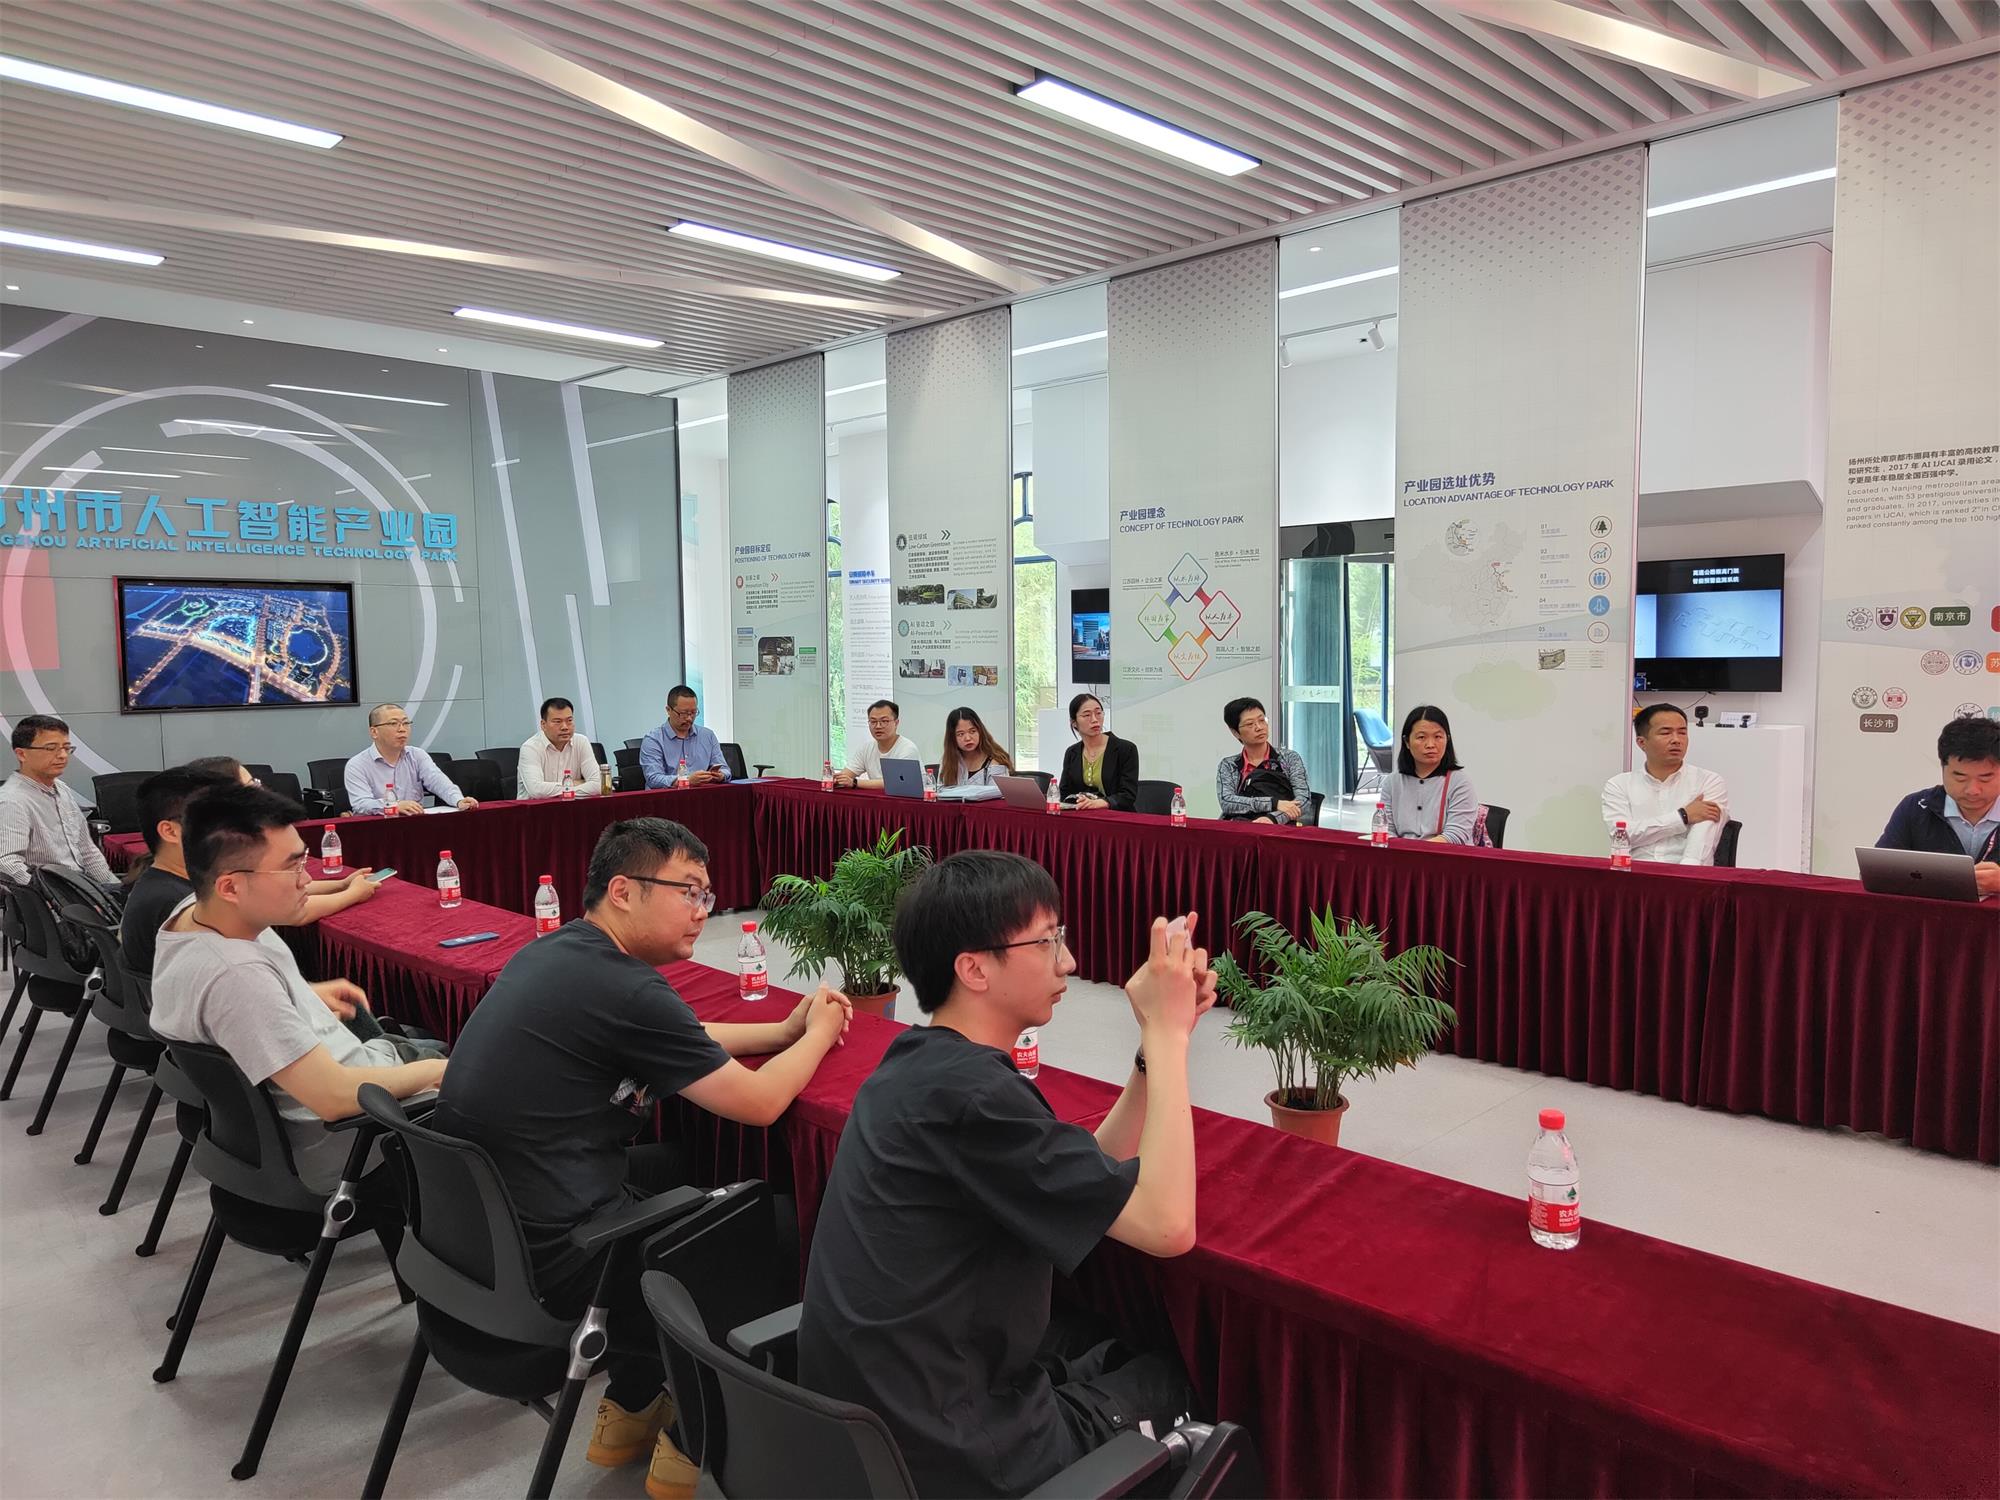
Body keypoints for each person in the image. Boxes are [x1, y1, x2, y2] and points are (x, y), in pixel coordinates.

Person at [432, 818, 853, 1493]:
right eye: (688, 891)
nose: (702, 909)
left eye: (707, 895)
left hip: (484, 1244)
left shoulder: (559, 952)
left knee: (684, 1171)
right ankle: (699, 1442)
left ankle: (631, 1408)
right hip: (563, 1261)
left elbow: (675, 1033)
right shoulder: (625, 987)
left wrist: (779, 1030)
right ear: (624, 891)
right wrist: (821, 1032)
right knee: (778, 1228)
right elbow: (760, 1103)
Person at [798, 851, 1209, 1498]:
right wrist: (1171, 1037)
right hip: (951, 1449)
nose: (1068, 962)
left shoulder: (918, 1063)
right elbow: (1169, 1226)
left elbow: (1078, 1175)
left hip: (872, 1420)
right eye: (1047, 942)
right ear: (974, 968)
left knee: (1102, 1345)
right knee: (1181, 1378)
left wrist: (1147, 1053)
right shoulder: (976, 1097)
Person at [147, 783, 446, 1194]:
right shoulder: (237, 978)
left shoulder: (192, 915)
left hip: (335, 1092)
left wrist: (305, 992)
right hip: (358, 1140)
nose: (305, 880)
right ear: (230, 887)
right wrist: (438, 1073)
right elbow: (334, 1098)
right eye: (291, 868)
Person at [121, 765, 382, 976]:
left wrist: (341, 884)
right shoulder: (183, 907)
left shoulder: (169, 884)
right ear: (169, 831)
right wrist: (351, 894)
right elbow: (294, 911)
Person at [1876, 717, 2000, 895]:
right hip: (1929, 912)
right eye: (1960, 777)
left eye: (1985, 778)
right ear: (1943, 769)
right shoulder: (1916, 807)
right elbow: (1878, 873)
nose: (1973, 790)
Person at [1602, 704, 1730, 865]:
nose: (1676, 740)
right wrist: (1682, 816)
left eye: (1682, 732)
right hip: (1633, 871)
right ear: (1641, 742)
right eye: (1665, 732)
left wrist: (1682, 875)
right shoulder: (1618, 784)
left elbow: (1701, 841)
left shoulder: (1708, 781)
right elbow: (1622, 837)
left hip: (1686, 872)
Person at [0, 715, 115, 887]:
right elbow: (6, 862)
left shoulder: (62, 788)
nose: (62, 755)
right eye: (51, 748)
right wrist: (50, 894)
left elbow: (86, 850)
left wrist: (112, 888)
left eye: (66, 748)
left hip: (82, 887)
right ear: (22, 754)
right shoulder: (12, 800)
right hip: (53, 894)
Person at [343, 704, 478, 815]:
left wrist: (458, 800)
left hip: (414, 824)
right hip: (376, 828)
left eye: (406, 723)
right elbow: (361, 803)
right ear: (374, 732)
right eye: (393, 723)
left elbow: (438, 782)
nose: (402, 729)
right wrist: (393, 806)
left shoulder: (417, 755)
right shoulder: (357, 764)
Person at [1381, 705, 1479, 844]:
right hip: (1401, 854)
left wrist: (1416, 851)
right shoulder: (1392, 782)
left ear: (1447, 739)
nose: (1430, 745)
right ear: (1407, 742)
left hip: (1445, 854)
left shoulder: (1460, 782)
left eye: (1438, 736)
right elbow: (1385, 830)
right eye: (1421, 737)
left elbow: (1456, 834)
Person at [1215, 698, 1311, 825]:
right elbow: (1227, 802)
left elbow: (1303, 801)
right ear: (1235, 732)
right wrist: (1273, 803)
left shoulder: (1289, 758)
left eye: (1262, 720)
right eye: (1250, 724)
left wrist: (1273, 818)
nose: (1259, 727)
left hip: (1280, 828)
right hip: (1241, 828)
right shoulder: (1229, 765)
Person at [1056, 693, 1139, 811]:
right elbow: (1064, 794)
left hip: (1117, 815)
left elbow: (1128, 795)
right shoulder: (1072, 752)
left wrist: (1101, 803)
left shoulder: (1125, 749)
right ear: (1074, 722)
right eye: (1087, 715)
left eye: (1098, 713)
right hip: (1083, 815)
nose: (1095, 720)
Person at [640, 686, 730, 789]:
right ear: (668, 710)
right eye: (683, 713)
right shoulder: (653, 740)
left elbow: (725, 770)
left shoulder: (707, 736)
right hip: (667, 796)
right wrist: (686, 780)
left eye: (693, 713)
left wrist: (721, 775)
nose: (689, 718)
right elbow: (653, 779)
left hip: (702, 795)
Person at [519, 696, 604, 799]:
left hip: (572, 806)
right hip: (536, 808)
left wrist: (561, 789)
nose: (565, 727)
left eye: (569, 720)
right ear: (543, 725)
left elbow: (599, 784)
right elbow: (537, 790)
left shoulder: (581, 741)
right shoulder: (530, 748)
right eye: (557, 722)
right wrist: (576, 783)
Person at [832, 699, 921, 789]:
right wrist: (835, 779)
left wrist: (855, 782)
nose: (878, 726)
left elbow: (897, 782)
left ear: (896, 723)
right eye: (873, 722)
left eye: (884, 721)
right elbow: (846, 775)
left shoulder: (907, 749)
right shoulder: (866, 748)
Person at [938, 706, 1015, 788]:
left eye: (972, 731)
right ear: (952, 738)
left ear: (980, 731)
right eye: (961, 734)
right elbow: (941, 790)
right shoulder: (949, 761)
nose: (968, 738)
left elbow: (997, 793)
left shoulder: (995, 762)